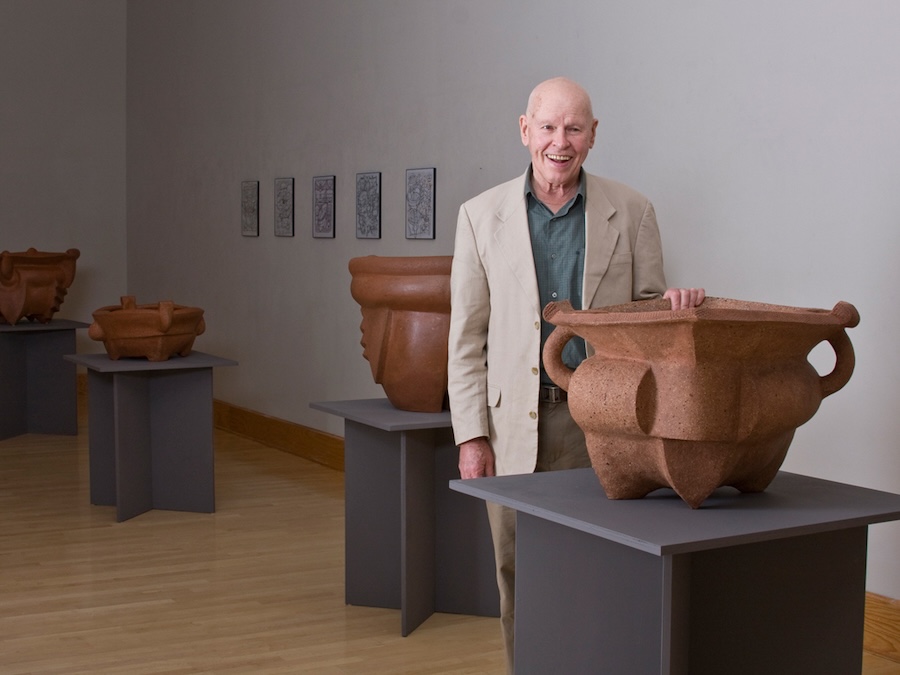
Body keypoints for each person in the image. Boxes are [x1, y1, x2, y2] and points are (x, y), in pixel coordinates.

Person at [447, 76, 704, 673]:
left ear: (593, 136)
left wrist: (674, 306)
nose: (558, 141)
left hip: (604, 430)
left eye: (573, 128)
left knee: (604, 574)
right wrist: (470, 435)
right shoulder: (479, 216)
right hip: (512, 432)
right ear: (524, 130)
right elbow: (466, 340)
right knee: (517, 576)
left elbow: (648, 329)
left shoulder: (634, 211)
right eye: (547, 126)